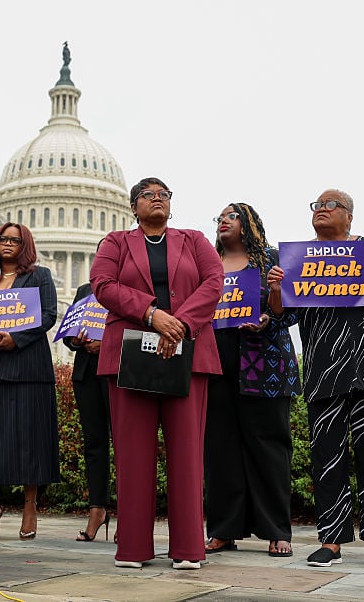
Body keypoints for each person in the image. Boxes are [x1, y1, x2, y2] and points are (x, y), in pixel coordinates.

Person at [268, 189, 364, 570]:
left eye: (330, 204)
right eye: (316, 205)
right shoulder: (299, 259)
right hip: (323, 370)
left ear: (349, 216)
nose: (321, 209)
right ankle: (330, 542)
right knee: (326, 457)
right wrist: (275, 289)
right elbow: (281, 313)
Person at [90, 177, 224, 570]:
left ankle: (188, 548)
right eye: (148, 195)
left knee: (187, 453)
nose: (157, 199)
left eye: (164, 194)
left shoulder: (194, 240)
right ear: (133, 206)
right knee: (132, 454)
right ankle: (133, 548)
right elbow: (102, 284)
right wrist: (151, 314)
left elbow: (213, 283)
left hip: (188, 352)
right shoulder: (116, 243)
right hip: (131, 354)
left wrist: (177, 324)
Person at [203, 203, 300, 558]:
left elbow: (291, 310)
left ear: (249, 224)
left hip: (264, 365)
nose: (223, 221)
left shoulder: (272, 260)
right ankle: (223, 529)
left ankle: (277, 530)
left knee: (268, 448)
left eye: (231, 216)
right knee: (220, 448)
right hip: (216, 364)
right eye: (220, 217)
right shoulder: (208, 265)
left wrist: (268, 315)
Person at [0, 223, 60, 541]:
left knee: (31, 439)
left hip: (29, 367)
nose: (8, 243)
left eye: (15, 240)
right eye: (3, 239)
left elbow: (49, 315)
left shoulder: (40, 276)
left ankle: (29, 507)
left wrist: (16, 338)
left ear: (26, 245)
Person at [62, 276, 112, 542]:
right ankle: (97, 508)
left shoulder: (132, 287)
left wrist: (107, 343)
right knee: (94, 444)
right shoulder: (85, 290)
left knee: (127, 446)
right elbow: (69, 333)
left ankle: (130, 513)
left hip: (117, 372)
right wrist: (77, 340)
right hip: (87, 373)